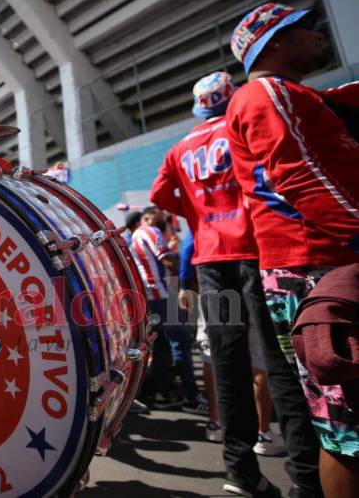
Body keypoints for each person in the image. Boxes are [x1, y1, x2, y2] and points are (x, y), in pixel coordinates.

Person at [150, 70, 321, 497]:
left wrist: (198, 214)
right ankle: (305, 476)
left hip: (212, 263)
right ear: (230, 97)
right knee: (279, 364)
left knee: (228, 368)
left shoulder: (180, 149)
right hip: (256, 254)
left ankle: (241, 473)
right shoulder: (240, 126)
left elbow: (159, 196)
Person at [226, 2, 359, 493]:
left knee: (342, 420)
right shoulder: (265, 91)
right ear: (275, 41)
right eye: (307, 27)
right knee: (347, 429)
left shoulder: (292, 95)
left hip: (321, 263)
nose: (319, 32)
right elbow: (296, 173)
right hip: (319, 266)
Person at [291, 264, 359, 498]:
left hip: (313, 276)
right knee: (341, 428)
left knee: (337, 426)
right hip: (325, 276)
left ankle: (303, 485)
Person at [131, 206, 205, 413]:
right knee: (181, 343)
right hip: (164, 295)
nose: (163, 222)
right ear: (147, 218)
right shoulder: (151, 231)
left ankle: (163, 393)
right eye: (160, 218)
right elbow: (166, 259)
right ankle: (191, 397)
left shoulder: (136, 236)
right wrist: (185, 273)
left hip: (151, 296)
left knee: (162, 345)